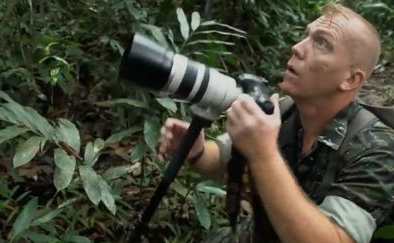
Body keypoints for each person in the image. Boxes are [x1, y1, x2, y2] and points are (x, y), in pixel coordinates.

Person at [158, 3, 394, 243]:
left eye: (322, 43)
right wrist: (197, 151)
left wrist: (263, 153)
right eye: (306, 36)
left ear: (351, 79)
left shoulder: (378, 149)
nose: (297, 48)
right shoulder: (284, 110)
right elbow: (221, 157)